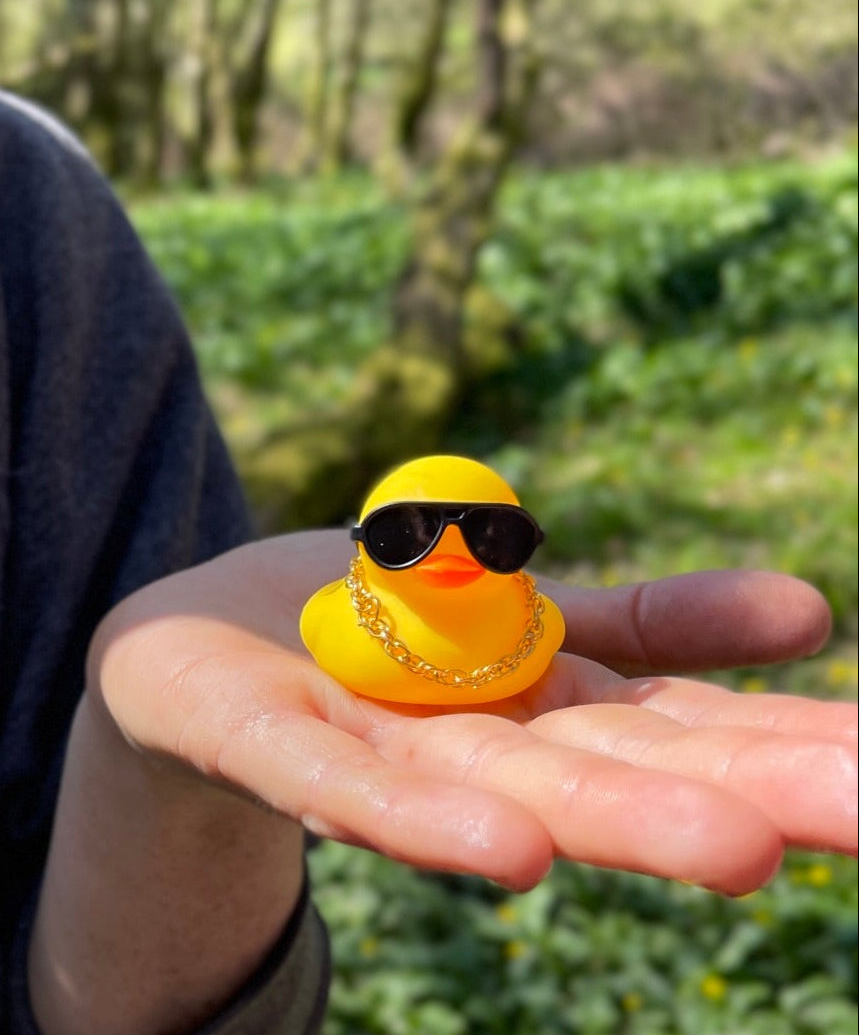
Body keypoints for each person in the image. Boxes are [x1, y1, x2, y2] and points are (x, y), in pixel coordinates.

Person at [0, 89, 855, 1035]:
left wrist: (154, 782)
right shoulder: (350, 624)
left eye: (488, 537)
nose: (450, 550)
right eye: (410, 534)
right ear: (369, 549)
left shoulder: (34, 207)